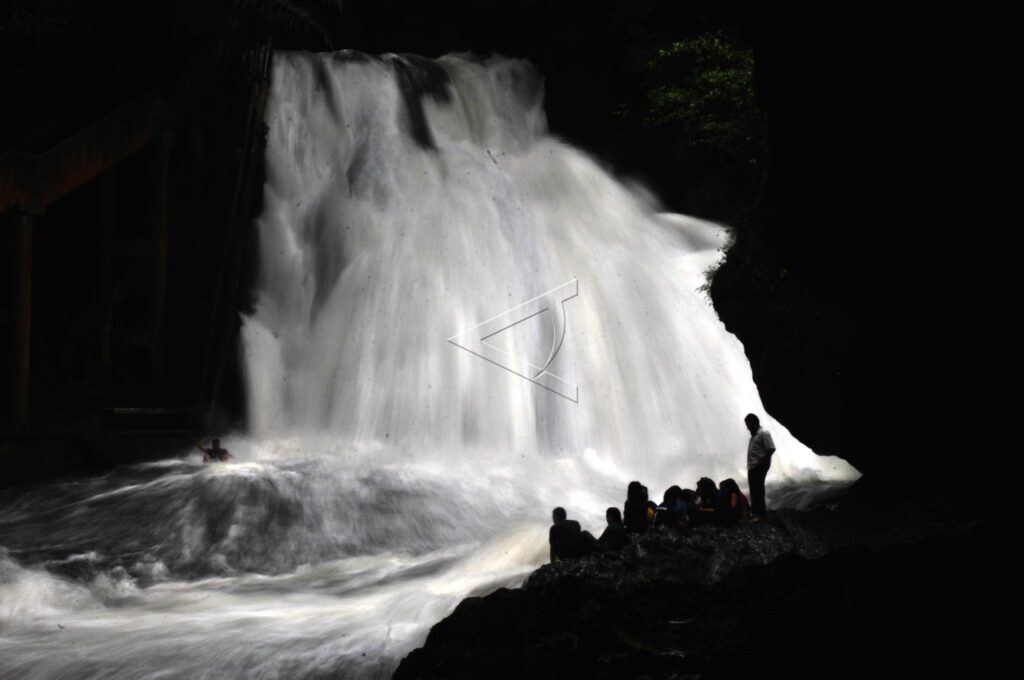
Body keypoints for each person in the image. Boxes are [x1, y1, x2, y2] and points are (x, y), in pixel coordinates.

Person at [745, 413, 776, 518]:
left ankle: (760, 513)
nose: (747, 428)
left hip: (759, 467)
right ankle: (755, 512)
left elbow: (771, 448)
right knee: (754, 490)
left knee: (758, 490)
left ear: (754, 423)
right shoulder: (754, 436)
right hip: (752, 467)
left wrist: (761, 463)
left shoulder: (763, 433)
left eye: (748, 425)